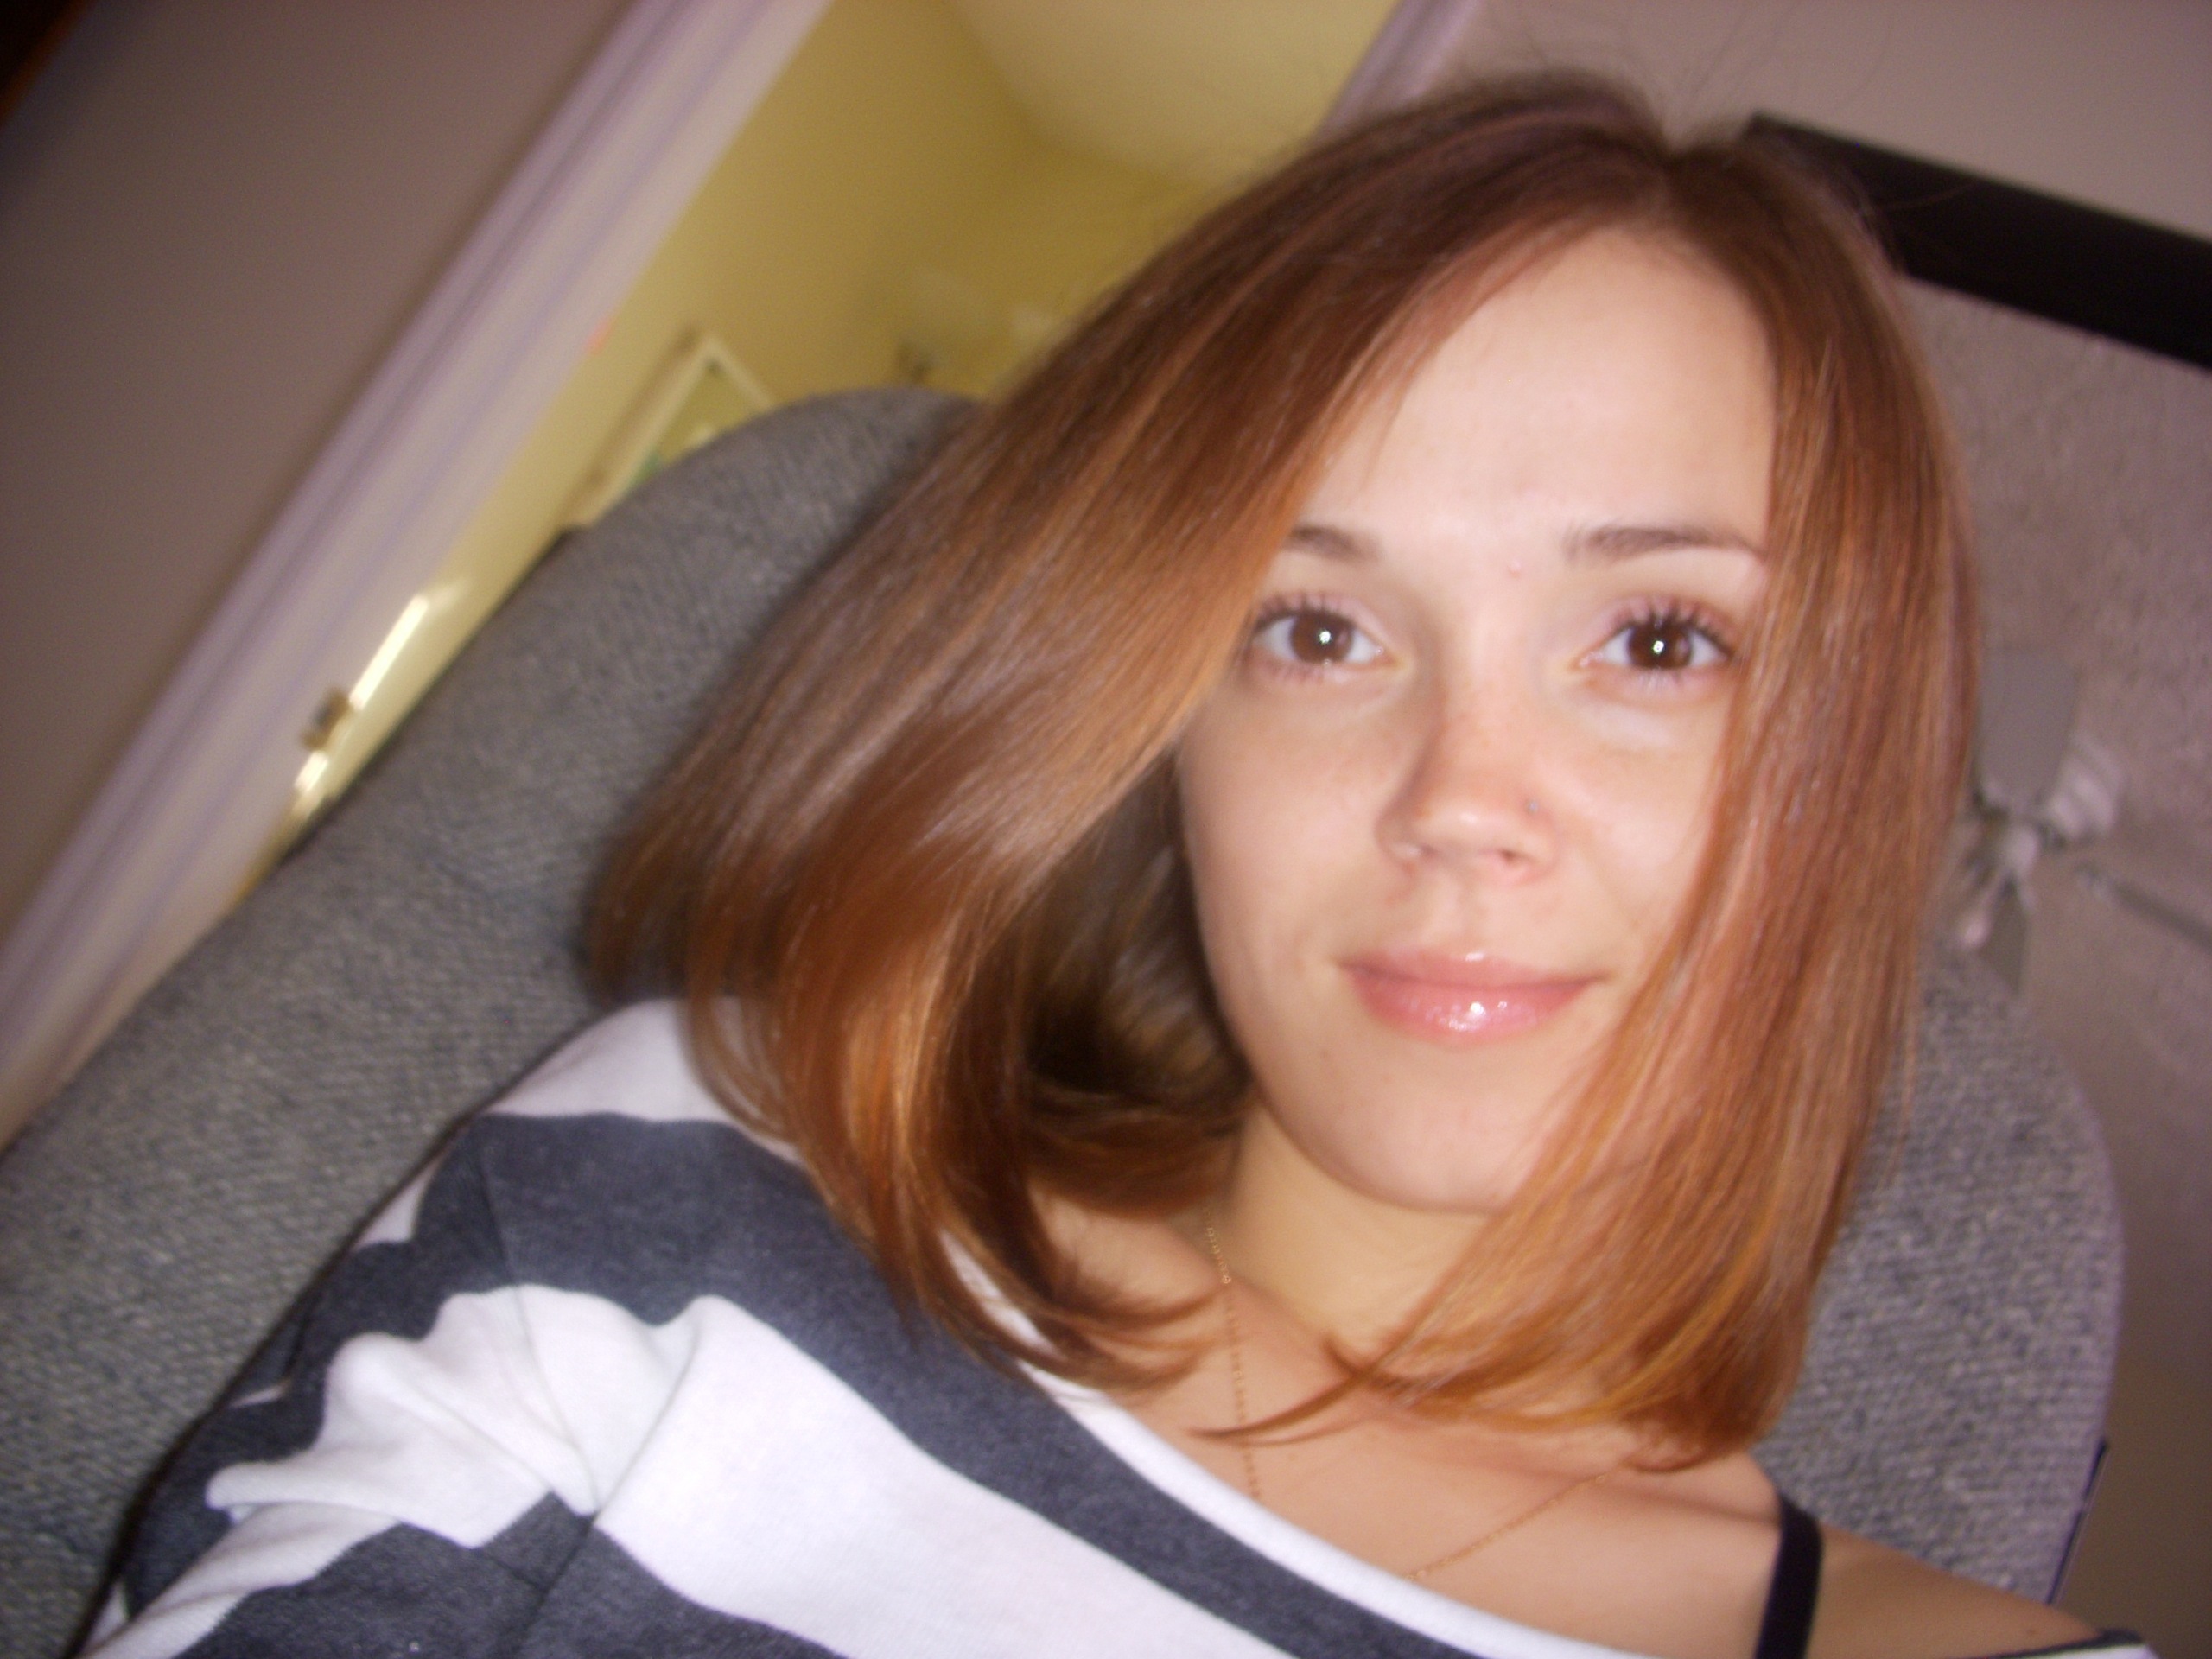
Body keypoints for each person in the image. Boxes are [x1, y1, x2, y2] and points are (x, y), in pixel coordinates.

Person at [86, 77, 2140, 1659]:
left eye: (1658, 644)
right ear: (1167, 738)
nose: (1458, 796)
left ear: (1849, 760)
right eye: (1314, 629)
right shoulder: (694, 1173)